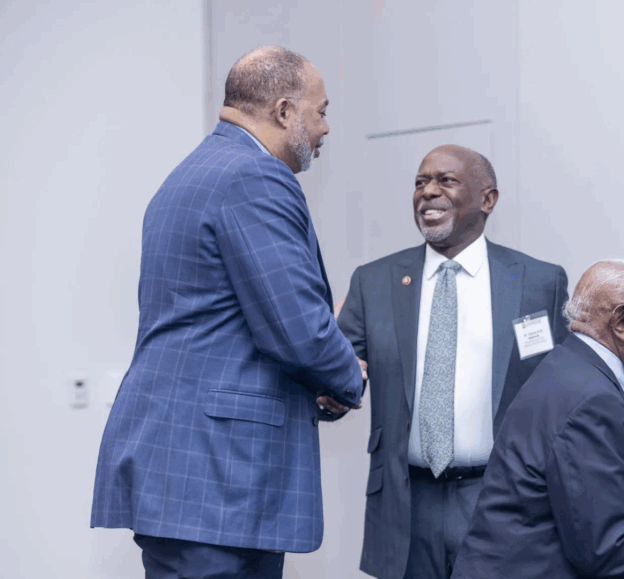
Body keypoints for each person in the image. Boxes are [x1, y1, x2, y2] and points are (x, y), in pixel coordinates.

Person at [90, 46, 364, 579]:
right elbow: (298, 331)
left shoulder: (191, 173)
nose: (326, 127)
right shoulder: (254, 177)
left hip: (188, 467)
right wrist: (348, 374)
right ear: (284, 111)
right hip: (221, 474)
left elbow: (227, 321)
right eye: (321, 111)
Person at [336, 144, 570, 579]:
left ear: (488, 199)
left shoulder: (539, 282)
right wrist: (327, 386)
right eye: (420, 182)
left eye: (446, 181)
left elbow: (567, 391)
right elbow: (337, 377)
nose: (428, 192)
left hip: (503, 500)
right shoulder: (373, 282)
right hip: (406, 505)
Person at [451, 259, 624, 579]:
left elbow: (588, 522)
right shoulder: (591, 401)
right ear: (621, 321)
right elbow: (606, 553)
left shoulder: (570, 369)